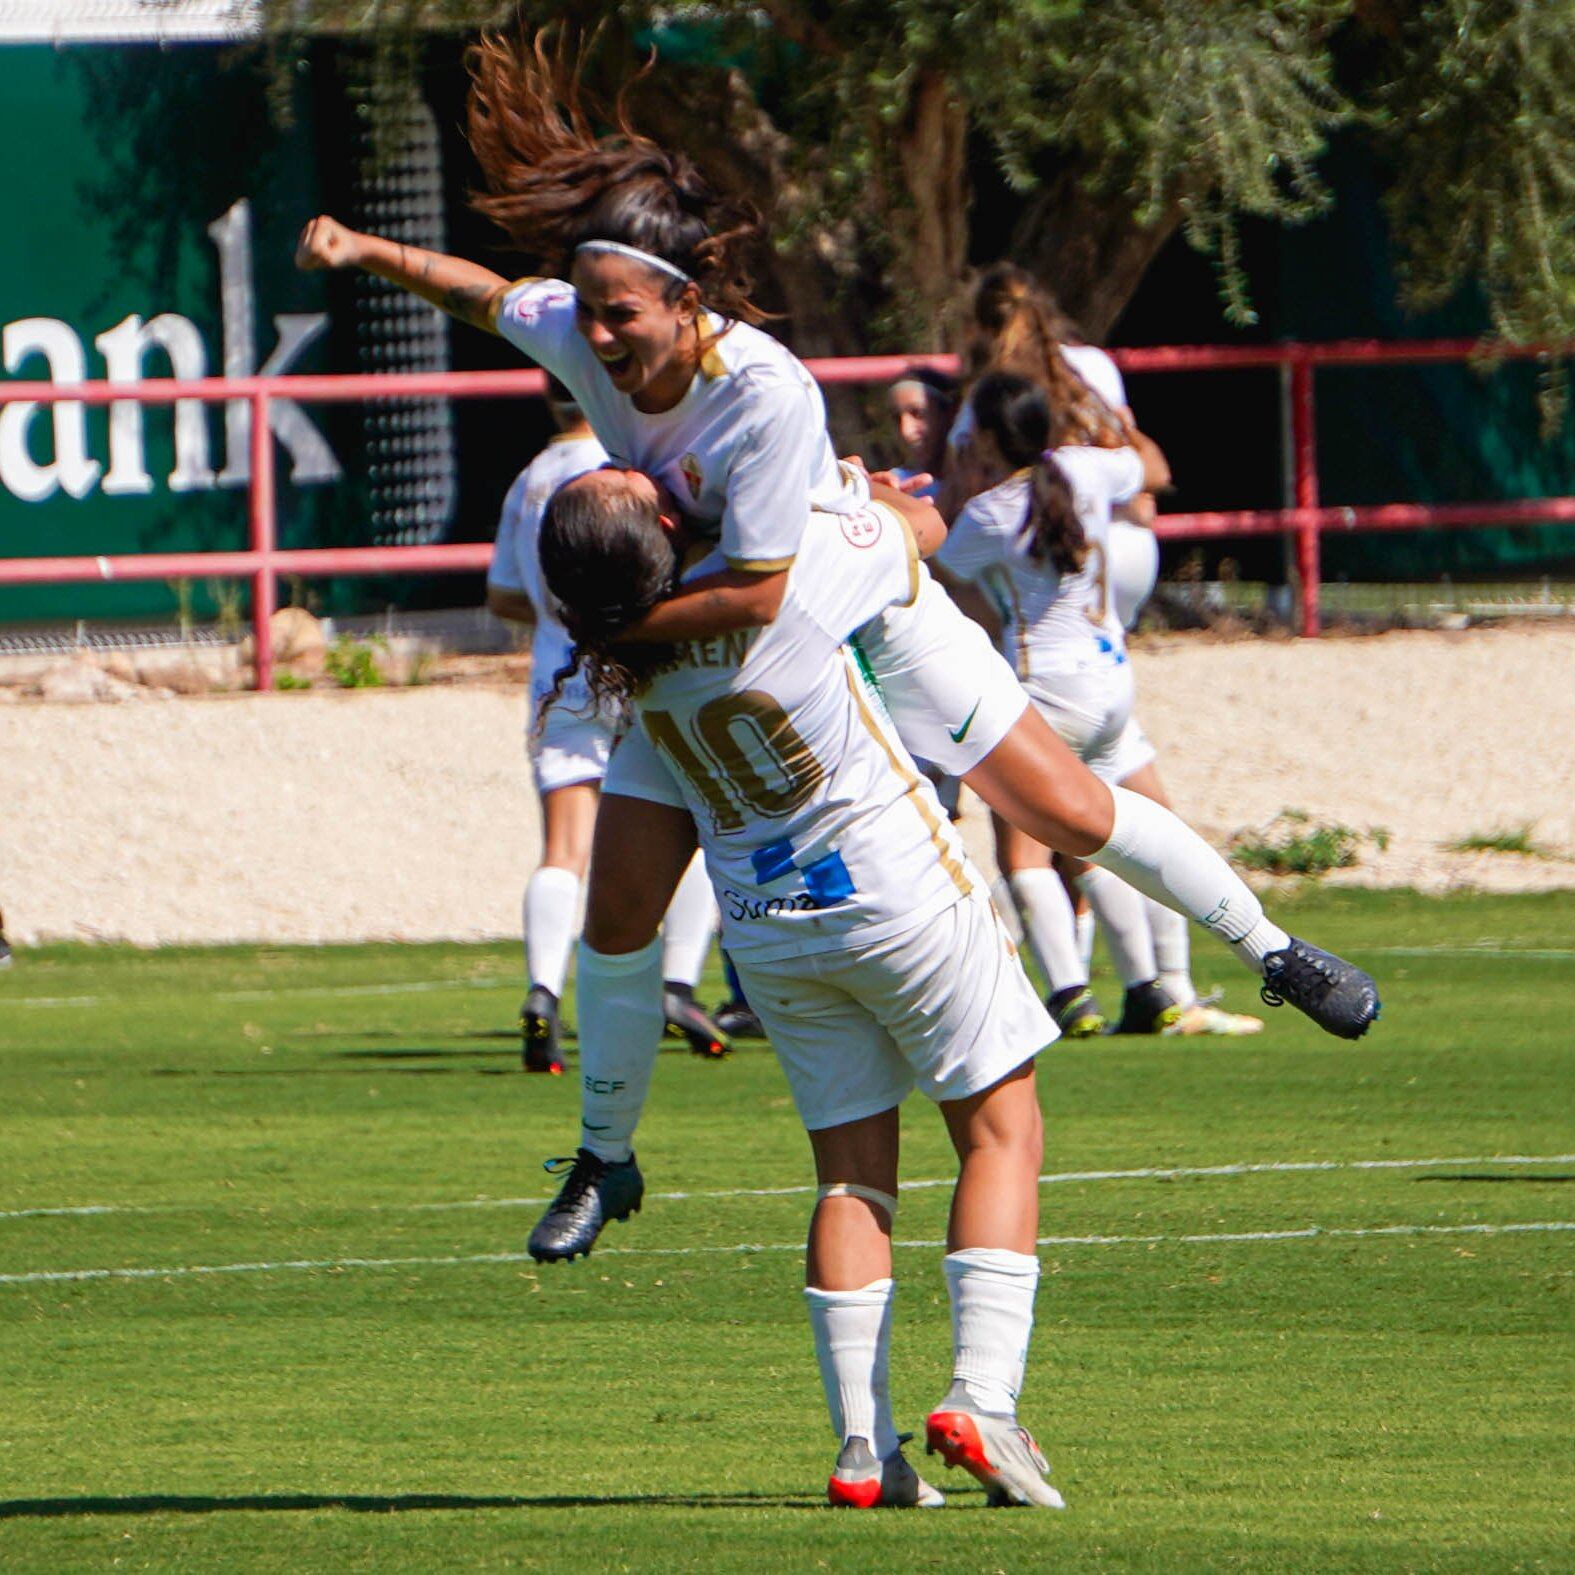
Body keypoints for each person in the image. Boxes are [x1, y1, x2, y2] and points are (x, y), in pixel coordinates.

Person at [296, 28, 1377, 1262]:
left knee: (1069, 807)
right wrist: (364, 250)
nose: (591, 338)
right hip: (700, 643)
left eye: (617, 317)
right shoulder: (583, 321)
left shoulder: (763, 391)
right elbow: (484, 295)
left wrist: (609, 629)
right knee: (617, 915)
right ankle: (604, 1157)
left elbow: (761, 595)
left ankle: (1273, 950)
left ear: (686, 302)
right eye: (585, 313)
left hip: (843, 607)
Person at [538, 466, 1065, 1508]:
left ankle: (864, 1451)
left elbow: (621, 916)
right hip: (902, 900)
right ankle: (983, 1400)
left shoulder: (636, 680)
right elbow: (916, 529)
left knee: (852, 1180)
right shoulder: (793, 586)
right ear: (669, 530)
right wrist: (854, 488)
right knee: (1003, 1134)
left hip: (776, 939)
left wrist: (608, 1131)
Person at [938, 372, 1265, 1038]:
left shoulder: (989, 511)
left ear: (991, 439)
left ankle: (1069, 997)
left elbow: (932, 559)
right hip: (1110, 680)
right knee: (1104, 836)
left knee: (1024, 855)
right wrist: (1116, 420)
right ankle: (1150, 987)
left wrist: (951, 474)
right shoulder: (1085, 469)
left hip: (1046, 693)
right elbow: (1153, 467)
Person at [485, 381, 726, 1069]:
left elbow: (503, 592)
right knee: (682, 820)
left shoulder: (530, 480)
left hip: (558, 673)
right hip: (637, 664)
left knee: (564, 845)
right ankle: (677, 984)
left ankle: (541, 991)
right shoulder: (631, 468)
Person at [886, 368, 956, 499]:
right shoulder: (894, 487)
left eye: (918, 413)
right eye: (896, 418)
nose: (905, 431)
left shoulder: (982, 483)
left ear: (949, 415)